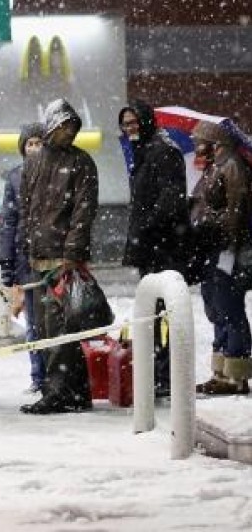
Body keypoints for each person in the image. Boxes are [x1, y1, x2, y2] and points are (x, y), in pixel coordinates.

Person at [19, 99, 98, 415]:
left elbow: (84, 211)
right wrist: (29, 245)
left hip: (64, 260)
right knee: (50, 328)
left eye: (72, 126)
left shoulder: (81, 162)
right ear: (52, 126)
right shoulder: (33, 163)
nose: (69, 132)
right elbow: (26, 209)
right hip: (41, 258)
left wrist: (72, 253)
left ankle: (59, 392)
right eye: (64, 126)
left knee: (61, 328)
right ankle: (73, 392)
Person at [118, 101, 189, 396]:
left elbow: (170, 198)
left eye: (134, 122)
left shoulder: (163, 151)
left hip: (163, 246)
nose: (130, 128)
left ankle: (167, 374)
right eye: (126, 124)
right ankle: (161, 372)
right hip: (152, 245)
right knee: (155, 312)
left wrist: (148, 225)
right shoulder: (145, 151)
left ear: (146, 121)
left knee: (164, 312)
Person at [189, 120, 252, 395]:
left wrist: (206, 220)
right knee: (215, 306)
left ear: (214, 141)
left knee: (230, 307)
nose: (195, 145)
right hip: (214, 249)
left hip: (229, 251)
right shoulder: (215, 166)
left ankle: (236, 374)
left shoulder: (232, 166)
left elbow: (235, 213)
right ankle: (221, 370)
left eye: (198, 140)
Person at [0, 122, 45, 394]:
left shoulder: (54, 175)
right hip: (25, 261)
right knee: (34, 324)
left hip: (51, 260)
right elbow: (8, 223)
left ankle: (53, 375)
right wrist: (7, 265)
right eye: (30, 144)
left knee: (52, 321)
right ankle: (38, 375)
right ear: (23, 148)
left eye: (39, 143)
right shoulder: (15, 179)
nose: (35, 148)